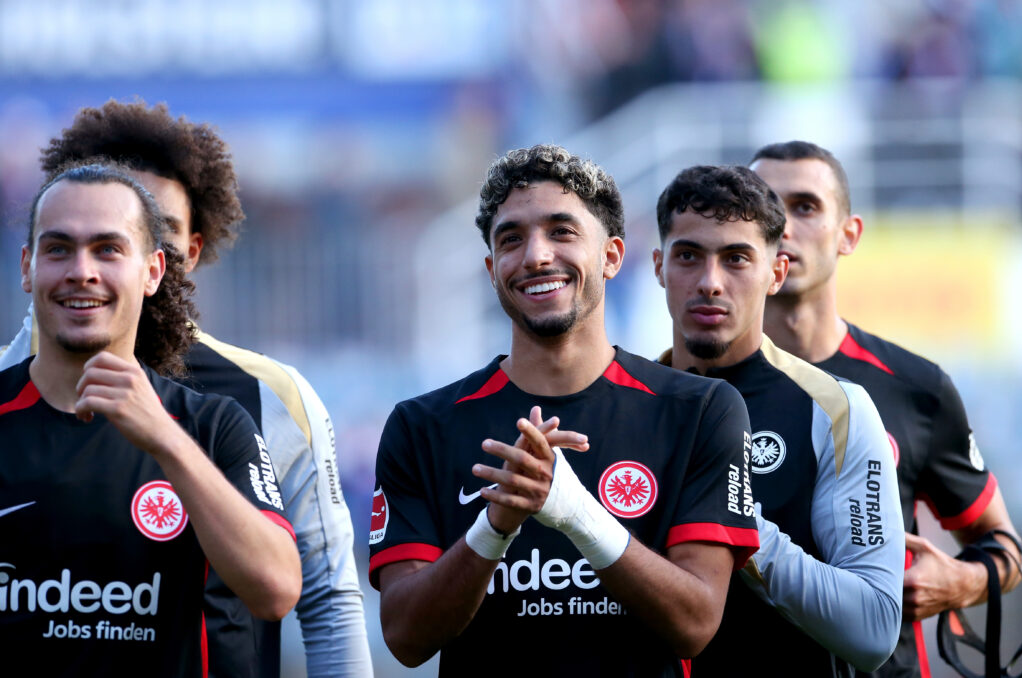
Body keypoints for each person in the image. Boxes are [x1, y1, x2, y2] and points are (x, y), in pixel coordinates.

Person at [0, 100, 372, 678]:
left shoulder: (252, 402)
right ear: (30, 262)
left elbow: (319, 598)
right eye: (61, 245)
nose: (85, 269)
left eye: (114, 244)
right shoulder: (14, 386)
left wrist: (168, 441)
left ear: (168, 259)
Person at [369, 144, 760, 677]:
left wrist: (577, 514)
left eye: (561, 231)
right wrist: (494, 527)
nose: (536, 255)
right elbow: (405, 639)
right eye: (512, 239)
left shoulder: (701, 410)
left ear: (612, 257)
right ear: (492, 270)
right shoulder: (422, 426)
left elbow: (695, 624)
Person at [751, 140, 1022, 677]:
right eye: (766, 208)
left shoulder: (916, 387)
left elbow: (1005, 548)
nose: (783, 226)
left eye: (805, 206)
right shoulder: (696, 386)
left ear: (849, 234)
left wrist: (959, 581)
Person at [652, 164, 904, 677]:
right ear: (659, 266)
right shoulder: (624, 404)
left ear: (777, 272)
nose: (710, 283)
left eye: (736, 258)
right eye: (688, 256)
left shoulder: (836, 408)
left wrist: (732, 521)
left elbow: (874, 628)